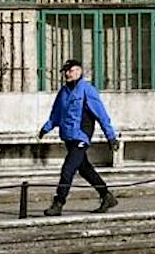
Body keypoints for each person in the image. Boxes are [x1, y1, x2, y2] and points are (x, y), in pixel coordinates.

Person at [39, 59, 120, 215]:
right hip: (68, 137)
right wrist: (46, 128)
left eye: (70, 71)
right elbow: (56, 114)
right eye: (65, 71)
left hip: (81, 137)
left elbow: (101, 115)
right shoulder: (63, 92)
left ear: (79, 71)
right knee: (85, 169)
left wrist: (111, 137)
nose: (67, 74)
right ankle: (107, 196)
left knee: (67, 169)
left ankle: (58, 203)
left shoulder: (87, 90)